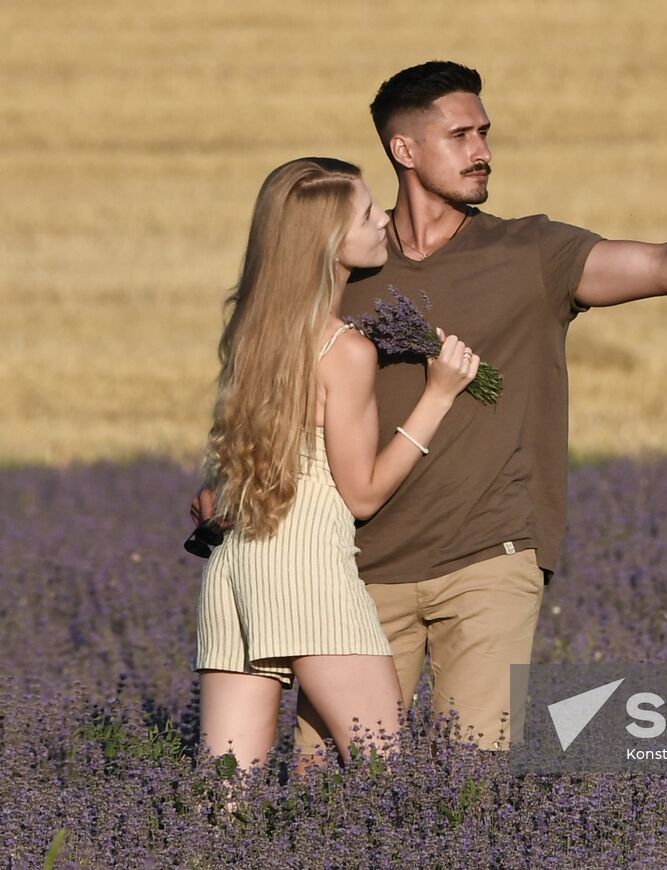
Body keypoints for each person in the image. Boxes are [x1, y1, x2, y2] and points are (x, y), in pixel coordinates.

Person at [195, 61, 667, 755]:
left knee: (471, 777)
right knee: (336, 794)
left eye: (485, 133)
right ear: (403, 149)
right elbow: (275, 389)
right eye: (461, 134)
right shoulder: (349, 264)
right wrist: (225, 485)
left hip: (490, 556)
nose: (483, 151)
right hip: (355, 567)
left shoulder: (531, 251)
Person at [192, 156, 479, 770]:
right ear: (328, 240)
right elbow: (363, 494)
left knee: (223, 799)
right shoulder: (342, 349)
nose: (383, 219)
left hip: (236, 569)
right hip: (309, 572)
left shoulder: (253, 331)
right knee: (385, 776)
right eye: (368, 211)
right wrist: (438, 395)